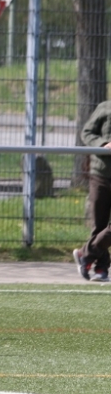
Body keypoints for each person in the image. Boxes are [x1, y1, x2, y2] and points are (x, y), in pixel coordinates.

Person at [73, 100, 111, 282]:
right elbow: (86, 133)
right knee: (99, 226)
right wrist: (103, 144)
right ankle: (101, 269)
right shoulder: (105, 108)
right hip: (100, 175)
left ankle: (84, 254)